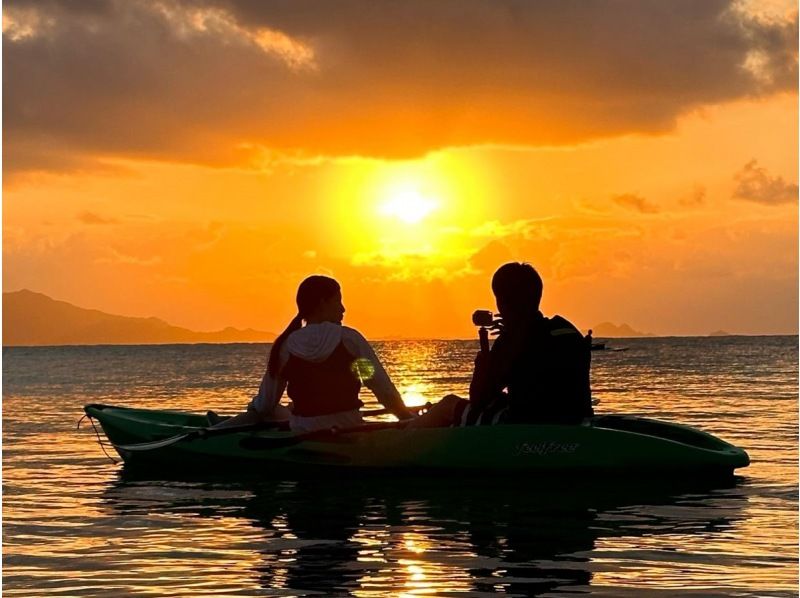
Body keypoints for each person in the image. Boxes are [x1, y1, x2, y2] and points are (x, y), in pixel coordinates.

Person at [213, 275, 413, 433]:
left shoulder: (286, 346)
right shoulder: (349, 339)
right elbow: (382, 388)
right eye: (338, 301)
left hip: (303, 430)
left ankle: (219, 428)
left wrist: (254, 410)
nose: (343, 309)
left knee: (266, 411)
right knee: (276, 410)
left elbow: (265, 405)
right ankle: (218, 427)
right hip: (348, 428)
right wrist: (408, 420)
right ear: (322, 302)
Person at [411, 262, 593, 427]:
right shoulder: (566, 330)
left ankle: (401, 441)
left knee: (449, 405)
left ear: (503, 301)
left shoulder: (514, 339)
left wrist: (484, 361)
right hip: (574, 421)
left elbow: (479, 399)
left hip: (525, 427)